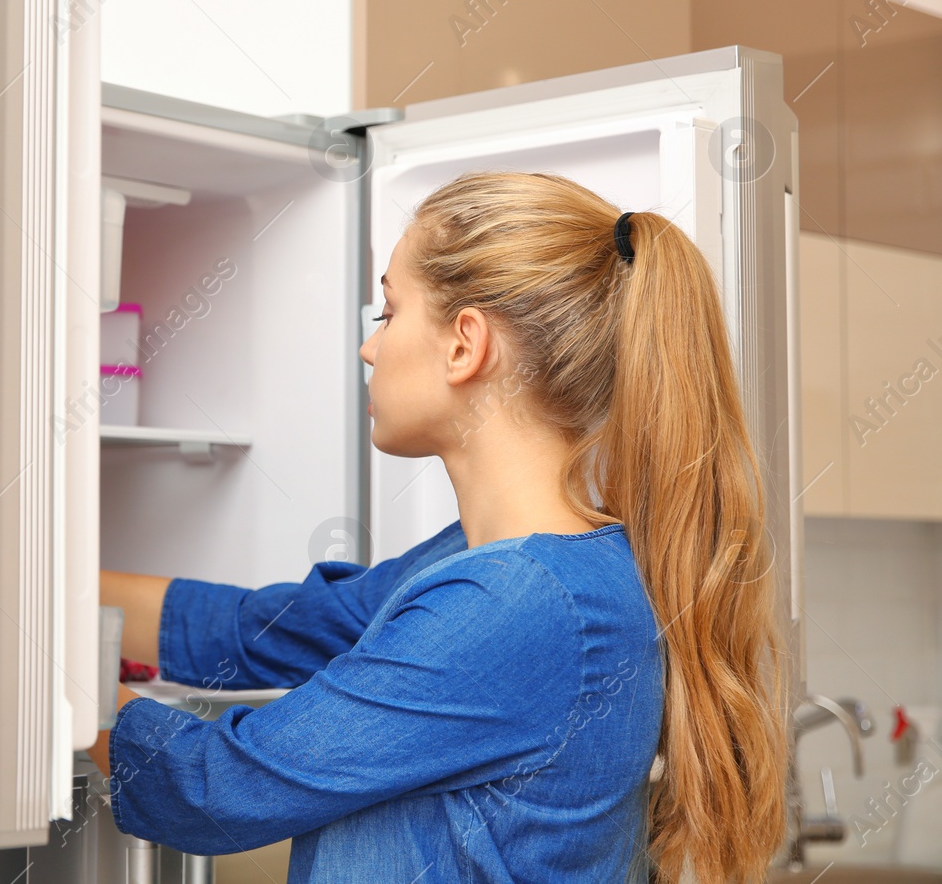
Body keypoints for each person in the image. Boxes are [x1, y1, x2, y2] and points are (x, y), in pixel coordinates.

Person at [88, 171, 788, 883]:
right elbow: (267, 629)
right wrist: (52, 593)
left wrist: (59, 682)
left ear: (464, 344)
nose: (370, 348)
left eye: (389, 313)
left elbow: (217, 787)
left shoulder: (517, 607)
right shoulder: (501, 565)